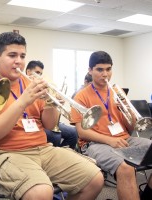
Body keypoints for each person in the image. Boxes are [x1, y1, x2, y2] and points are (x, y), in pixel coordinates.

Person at [0, 31, 104, 200]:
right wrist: (23, 101)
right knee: (40, 192)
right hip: (1, 153)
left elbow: (49, 125)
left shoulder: (31, 84)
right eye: (12, 55)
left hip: (42, 149)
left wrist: (51, 103)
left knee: (95, 179)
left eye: (22, 55)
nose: (18, 61)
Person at [71, 51, 152, 200]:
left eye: (108, 69)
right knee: (126, 169)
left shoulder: (117, 92)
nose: (105, 74)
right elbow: (82, 132)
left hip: (124, 138)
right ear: (90, 70)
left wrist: (127, 110)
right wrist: (110, 140)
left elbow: (131, 127)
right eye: (100, 70)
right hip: (94, 144)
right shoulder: (81, 96)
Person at [25, 60, 78, 149]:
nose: (40, 77)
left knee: (73, 133)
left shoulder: (42, 89)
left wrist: (56, 104)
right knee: (55, 136)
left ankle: (63, 153)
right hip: (33, 122)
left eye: (40, 74)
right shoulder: (24, 87)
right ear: (28, 72)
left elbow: (49, 115)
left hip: (46, 119)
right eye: (37, 73)